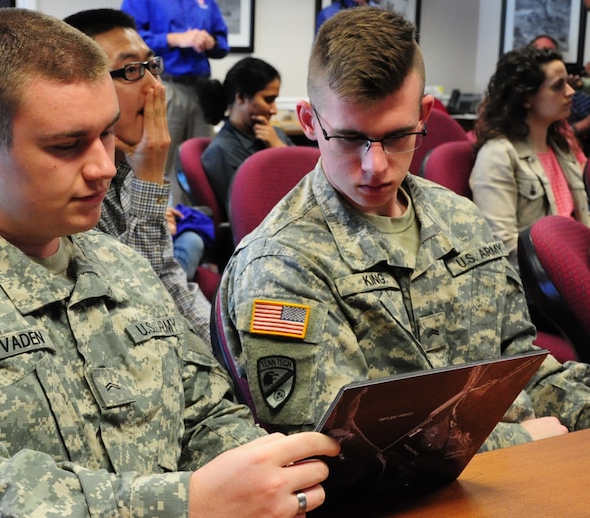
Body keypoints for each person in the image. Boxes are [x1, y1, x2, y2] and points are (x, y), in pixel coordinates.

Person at [0, 8, 340, 516]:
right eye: (68, 145)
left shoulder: (122, 266)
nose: (105, 167)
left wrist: (269, 478)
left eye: (107, 133)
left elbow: (204, 412)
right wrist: (184, 507)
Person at [218, 6, 590, 456]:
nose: (375, 166)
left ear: (424, 114)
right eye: (351, 138)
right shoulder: (280, 263)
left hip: (517, 478)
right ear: (310, 122)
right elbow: (335, 450)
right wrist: (525, 439)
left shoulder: (461, 220)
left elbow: (522, 369)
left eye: (397, 136)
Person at [64, 8, 211, 340]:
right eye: (131, 70)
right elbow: (139, 306)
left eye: (151, 66)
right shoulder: (67, 184)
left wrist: (229, 358)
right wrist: (149, 179)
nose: (155, 87)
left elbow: (169, 281)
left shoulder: (127, 160)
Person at [471, 45, 590, 270]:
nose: (570, 92)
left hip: (577, 265)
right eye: (558, 86)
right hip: (544, 284)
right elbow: (503, 250)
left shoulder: (561, 148)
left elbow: (581, 222)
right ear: (526, 98)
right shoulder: (498, 156)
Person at [121, 0, 229, 207]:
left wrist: (211, 41)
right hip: (165, 84)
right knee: (159, 161)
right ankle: (155, 220)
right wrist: (174, 39)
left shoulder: (208, 2)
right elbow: (129, 39)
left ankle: (194, 225)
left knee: (200, 164)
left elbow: (222, 43)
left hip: (201, 89)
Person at [199, 56, 293, 220]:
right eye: (268, 100)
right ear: (240, 97)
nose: (274, 110)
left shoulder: (275, 134)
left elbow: (314, 184)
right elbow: (248, 213)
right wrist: (280, 156)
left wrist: (279, 148)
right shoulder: (221, 151)